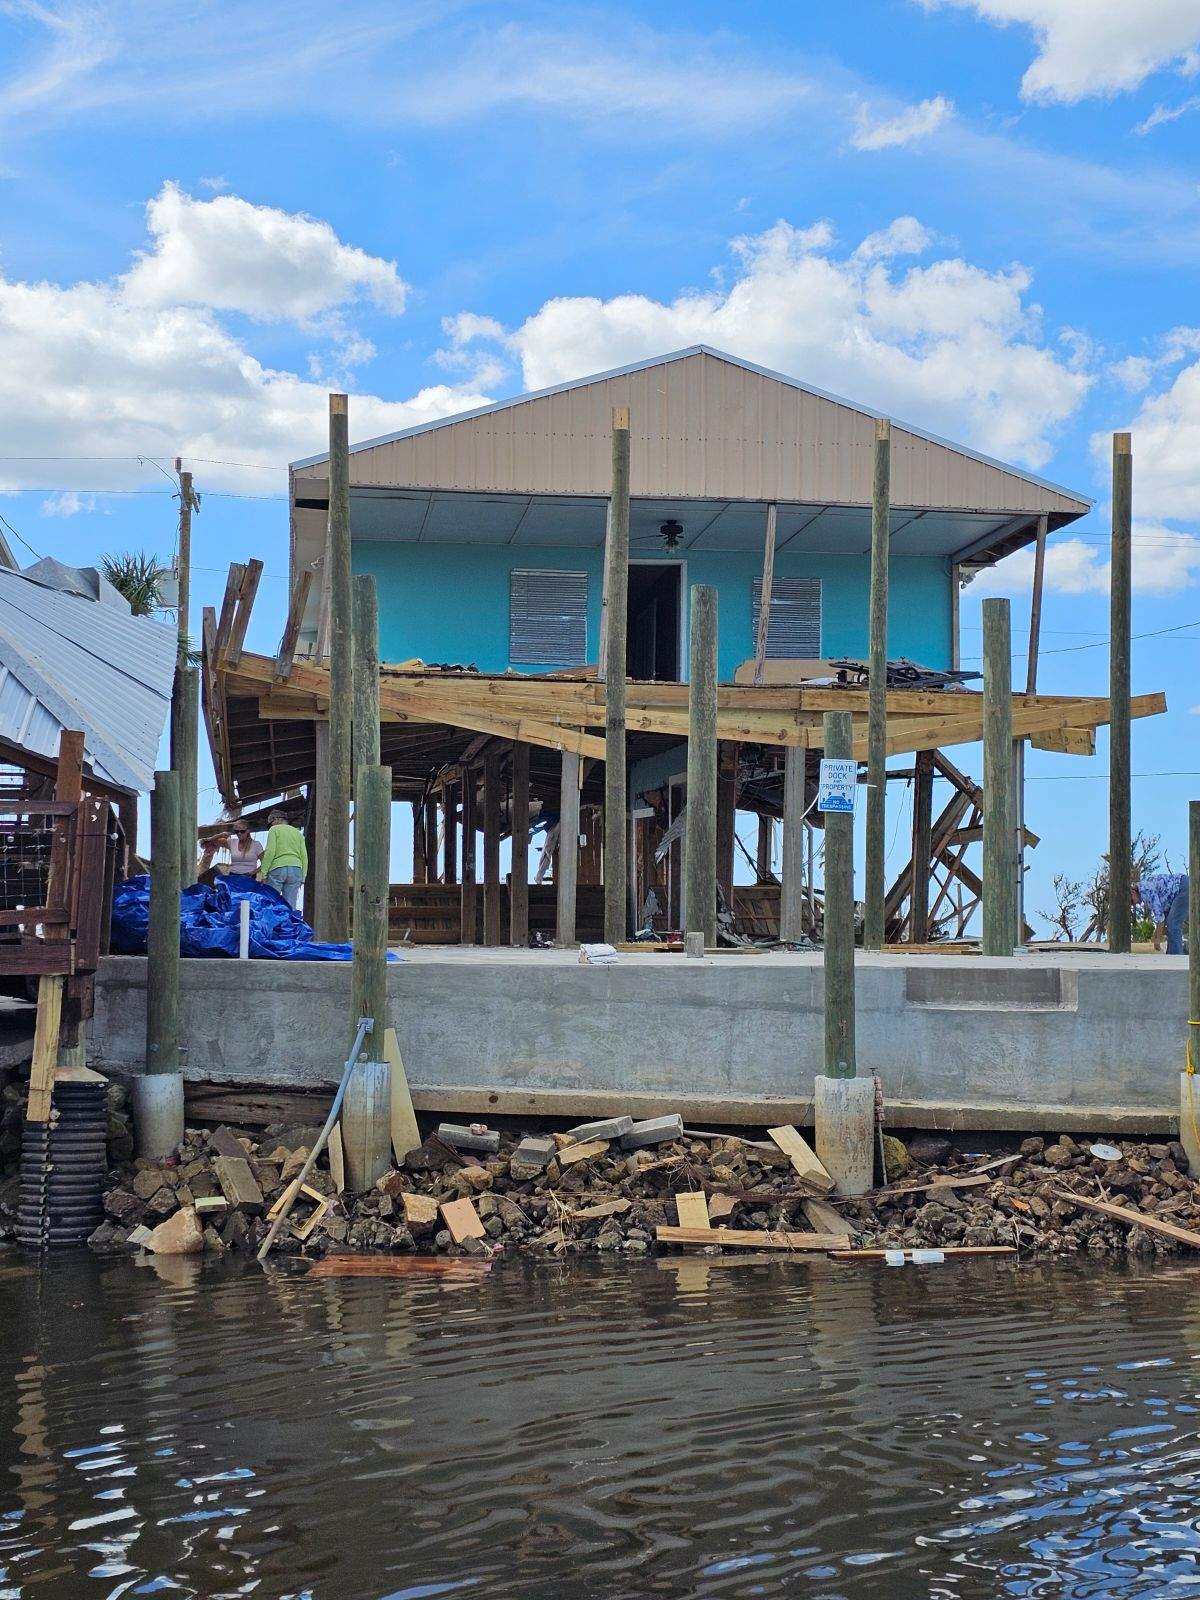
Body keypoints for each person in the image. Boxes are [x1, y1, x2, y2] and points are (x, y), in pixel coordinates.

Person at [258, 809, 308, 910]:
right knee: (290, 905)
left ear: (275, 819)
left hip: (278, 868)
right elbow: (304, 856)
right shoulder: (297, 833)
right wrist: (303, 876)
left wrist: (263, 873)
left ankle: (273, 925)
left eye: (270, 824)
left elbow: (270, 852)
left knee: (272, 902)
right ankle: (288, 925)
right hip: (296, 870)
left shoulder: (274, 830)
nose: (270, 827)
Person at [1135, 871, 1189, 955]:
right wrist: (1157, 934)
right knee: (1171, 925)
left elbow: (1160, 918)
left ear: (1132, 892)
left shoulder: (1145, 891)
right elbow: (1162, 916)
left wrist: (1157, 940)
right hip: (1179, 888)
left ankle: (1177, 957)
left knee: (1173, 924)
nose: (1134, 904)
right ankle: (1175, 953)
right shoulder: (1143, 886)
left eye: (1131, 901)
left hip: (1181, 888)